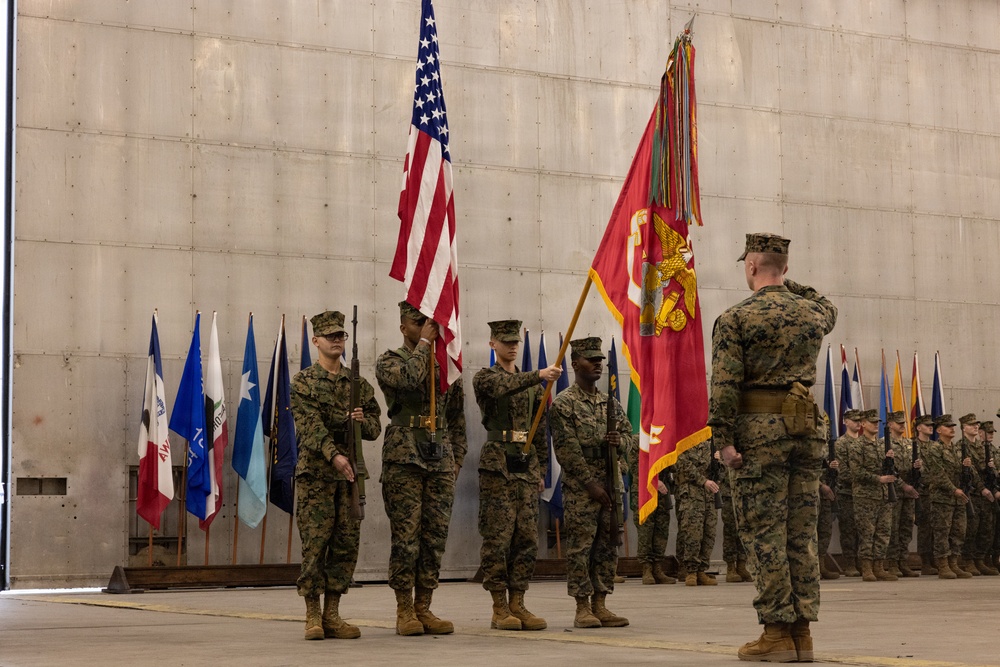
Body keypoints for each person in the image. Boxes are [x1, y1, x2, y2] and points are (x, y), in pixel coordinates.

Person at [708, 232, 837, 663]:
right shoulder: (813, 314)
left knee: (764, 533)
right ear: (785, 267)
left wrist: (723, 441)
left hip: (759, 435)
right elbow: (826, 304)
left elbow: (724, 385)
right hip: (806, 430)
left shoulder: (735, 318)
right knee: (801, 534)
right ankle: (803, 633)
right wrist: (786, 280)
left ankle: (777, 633)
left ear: (750, 266)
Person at [375, 301, 468, 636]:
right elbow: (410, 380)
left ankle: (424, 607)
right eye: (418, 323)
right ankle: (404, 610)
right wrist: (426, 343)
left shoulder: (446, 365)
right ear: (404, 328)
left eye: (430, 323)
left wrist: (457, 457)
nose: (428, 327)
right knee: (407, 537)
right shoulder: (390, 361)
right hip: (405, 457)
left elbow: (456, 417)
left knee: (434, 537)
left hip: (439, 456)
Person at [291, 310, 382, 641]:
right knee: (315, 545)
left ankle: (332, 613)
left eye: (340, 335)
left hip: (350, 476)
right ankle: (312, 614)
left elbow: (375, 427)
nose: (336, 340)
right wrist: (334, 456)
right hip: (317, 475)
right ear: (316, 341)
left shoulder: (358, 385)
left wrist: (361, 421)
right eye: (330, 336)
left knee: (345, 545)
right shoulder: (303, 382)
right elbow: (310, 426)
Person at [473, 319, 561, 631]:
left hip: (526, 465)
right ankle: (499, 606)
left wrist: (541, 470)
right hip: (498, 465)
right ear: (492, 344)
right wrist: (538, 374)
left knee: (526, 538)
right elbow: (502, 387)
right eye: (506, 341)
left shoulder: (534, 389)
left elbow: (540, 430)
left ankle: (518, 602)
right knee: (498, 538)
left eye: (515, 342)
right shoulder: (486, 378)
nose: (512, 346)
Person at [550, 337, 634, 628]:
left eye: (600, 360)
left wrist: (620, 441)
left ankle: (601, 603)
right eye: (591, 359)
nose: (598, 364)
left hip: (610, 482)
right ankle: (582, 606)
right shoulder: (564, 404)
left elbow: (630, 438)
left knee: (608, 545)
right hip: (581, 488)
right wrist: (589, 484)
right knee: (581, 546)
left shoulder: (610, 403)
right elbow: (566, 451)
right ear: (575, 364)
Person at [922, 414, 973, 579]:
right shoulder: (934, 449)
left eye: (953, 426)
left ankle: (954, 564)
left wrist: (967, 467)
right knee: (942, 532)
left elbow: (963, 474)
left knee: (958, 531)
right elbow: (938, 473)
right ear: (939, 430)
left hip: (959, 498)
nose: (952, 429)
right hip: (942, 498)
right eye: (948, 426)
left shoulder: (957, 449)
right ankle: (943, 565)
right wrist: (953, 489)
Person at [850, 409, 897, 582]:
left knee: (883, 532)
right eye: (872, 422)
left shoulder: (883, 445)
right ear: (863, 424)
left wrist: (890, 460)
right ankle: (867, 568)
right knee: (867, 533)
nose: (876, 424)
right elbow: (856, 471)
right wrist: (878, 479)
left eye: (877, 422)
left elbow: (891, 470)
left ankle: (879, 566)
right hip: (865, 496)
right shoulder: (857, 446)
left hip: (884, 496)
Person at [627, 451, 676, 585]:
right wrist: (654, 480)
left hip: (663, 490)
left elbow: (672, 464)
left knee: (661, 530)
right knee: (646, 530)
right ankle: (646, 569)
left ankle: (657, 568)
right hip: (645, 490)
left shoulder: (663, 442)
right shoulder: (639, 442)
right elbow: (636, 467)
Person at [674, 440, 719, 587]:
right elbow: (682, 465)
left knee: (709, 532)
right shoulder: (684, 441)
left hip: (709, 495)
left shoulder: (711, 443)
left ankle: (701, 570)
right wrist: (703, 481)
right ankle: (691, 571)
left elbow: (721, 472)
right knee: (692, 532)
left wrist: (720, 461)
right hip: (692, 493)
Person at [884, 411, 920, 577]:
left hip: (909, 492)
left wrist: (918, 468)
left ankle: (903, 562)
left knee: (906, 528)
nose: (902, 426)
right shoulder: (884, 444)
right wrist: (903, 485)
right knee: (893, 528)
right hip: (894, 492)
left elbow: (916, 469)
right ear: (890, 425)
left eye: (903, 423)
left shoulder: (909, 443)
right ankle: (892, 563)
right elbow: (887, 469)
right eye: (898, 423)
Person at [957, 413, 994, 575]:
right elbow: (971, 472)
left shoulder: (982, 446)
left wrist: (992, 468)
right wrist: (982, 488)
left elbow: (987, 471)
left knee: (985, 528)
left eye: (976, 424)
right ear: (963, 428)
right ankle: (968, 561)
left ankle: (980, 560)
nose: (975, 426)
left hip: (984, 494)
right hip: (972, 493)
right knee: (971, 529)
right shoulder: (961, 446)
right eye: (971, 424)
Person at [833, 409, 862, 577]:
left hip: (864, 494)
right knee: (849, 530)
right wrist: (866, 479)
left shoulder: (864, 442)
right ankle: (850, 563)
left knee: (863, 530)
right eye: (854, 420)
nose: (858, 423)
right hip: (847, 493)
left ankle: (862, 561)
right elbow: (842, 471)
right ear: (845, 422)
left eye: (859, 420)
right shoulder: (841, 443)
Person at [912, 414, 937, 574]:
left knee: (936, 528)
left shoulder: (935, 446)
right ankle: (925, 561)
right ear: (919, 427)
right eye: (927, 425)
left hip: (936, 492)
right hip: (921, 492)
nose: (930, 427)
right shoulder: (912, 446)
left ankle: (935, 559)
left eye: (931, 425)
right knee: (925, 528)